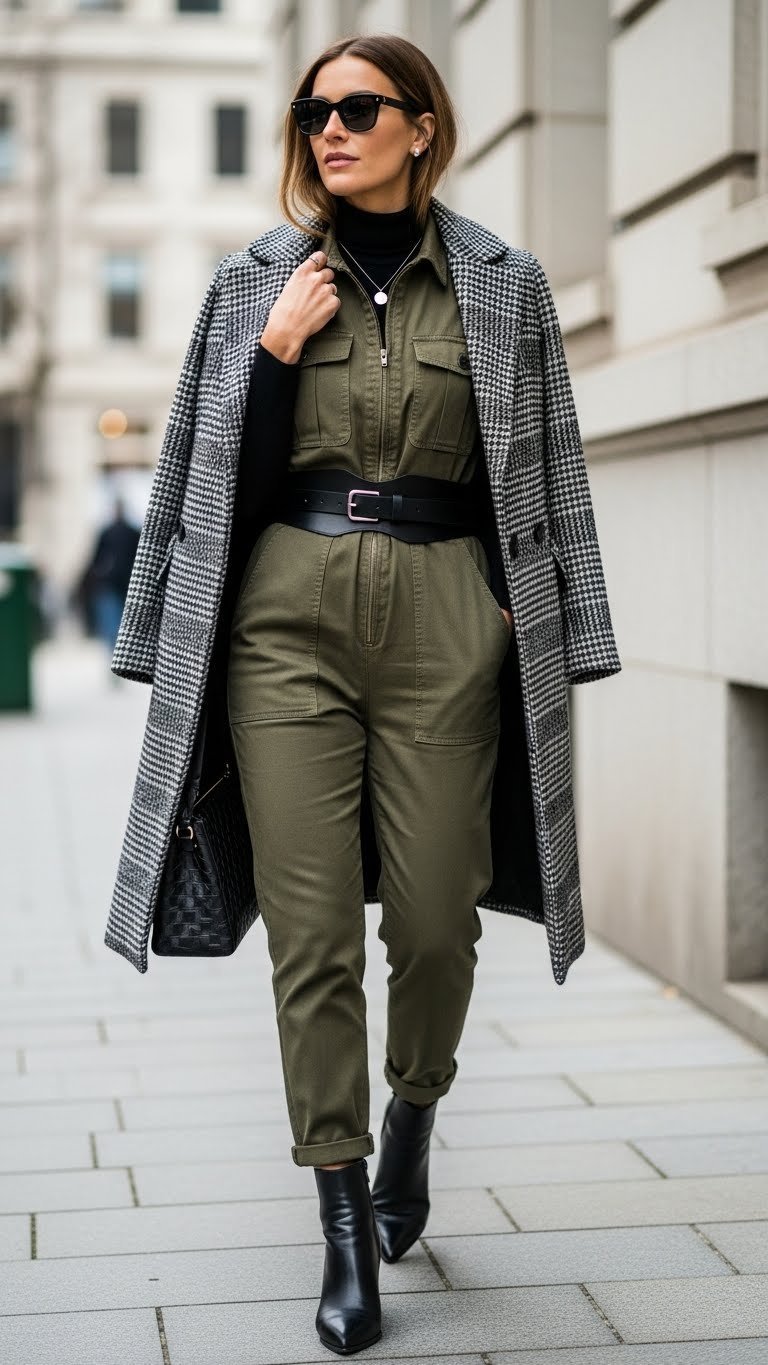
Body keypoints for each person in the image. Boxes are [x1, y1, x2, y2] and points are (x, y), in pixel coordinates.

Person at [104, 32, 621, 1358]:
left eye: (359, 107)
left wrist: (548, 626)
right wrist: (275, 357)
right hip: (287, 621)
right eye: (314, 110)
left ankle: (413, 1114)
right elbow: (205, 474)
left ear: (422, 128)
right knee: (314, 934)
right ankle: (342, 1216)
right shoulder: (251, 283)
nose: (330, 128)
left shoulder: (505, 286)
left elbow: (554, 466)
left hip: (453, 614)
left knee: (441, 917)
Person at [77, 496, 140, 657]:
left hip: (114, 583)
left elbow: (96, 559)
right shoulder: (131, 532)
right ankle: (121, 654)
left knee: (113, 622)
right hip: (125, 583)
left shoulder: (110, 532)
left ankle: (115, 654)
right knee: (121, 621)